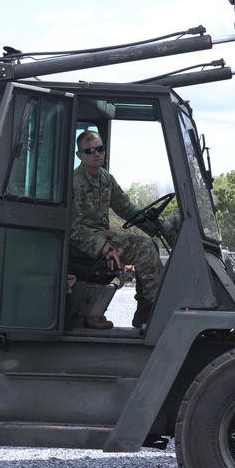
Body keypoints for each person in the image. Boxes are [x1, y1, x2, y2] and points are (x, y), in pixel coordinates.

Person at [70, 130, 163, 329]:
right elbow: (73, 229)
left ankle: (145, 313)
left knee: (150, 244)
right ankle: (157, 311)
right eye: (90, 150)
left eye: (100, 149)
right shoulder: (75, 182)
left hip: (100, 238)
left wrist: (159, 228)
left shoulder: (106, 178)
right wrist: (104, 247)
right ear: (80, 155)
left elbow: (126, 208)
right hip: (83, 242)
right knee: (144, 248)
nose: (97, 154)